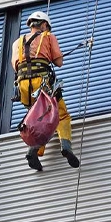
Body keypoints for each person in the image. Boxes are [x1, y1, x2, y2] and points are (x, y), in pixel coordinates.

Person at [11, 11, 80, 171]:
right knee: (61, 115)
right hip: (42, 83)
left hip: (23, 86)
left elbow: (15, 65)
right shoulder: (48, 36)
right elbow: (59, 62)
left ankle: (34, 151)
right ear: (43, 25)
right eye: (47, 27)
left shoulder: (17, 43)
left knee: (38, 119)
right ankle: (65, 146)